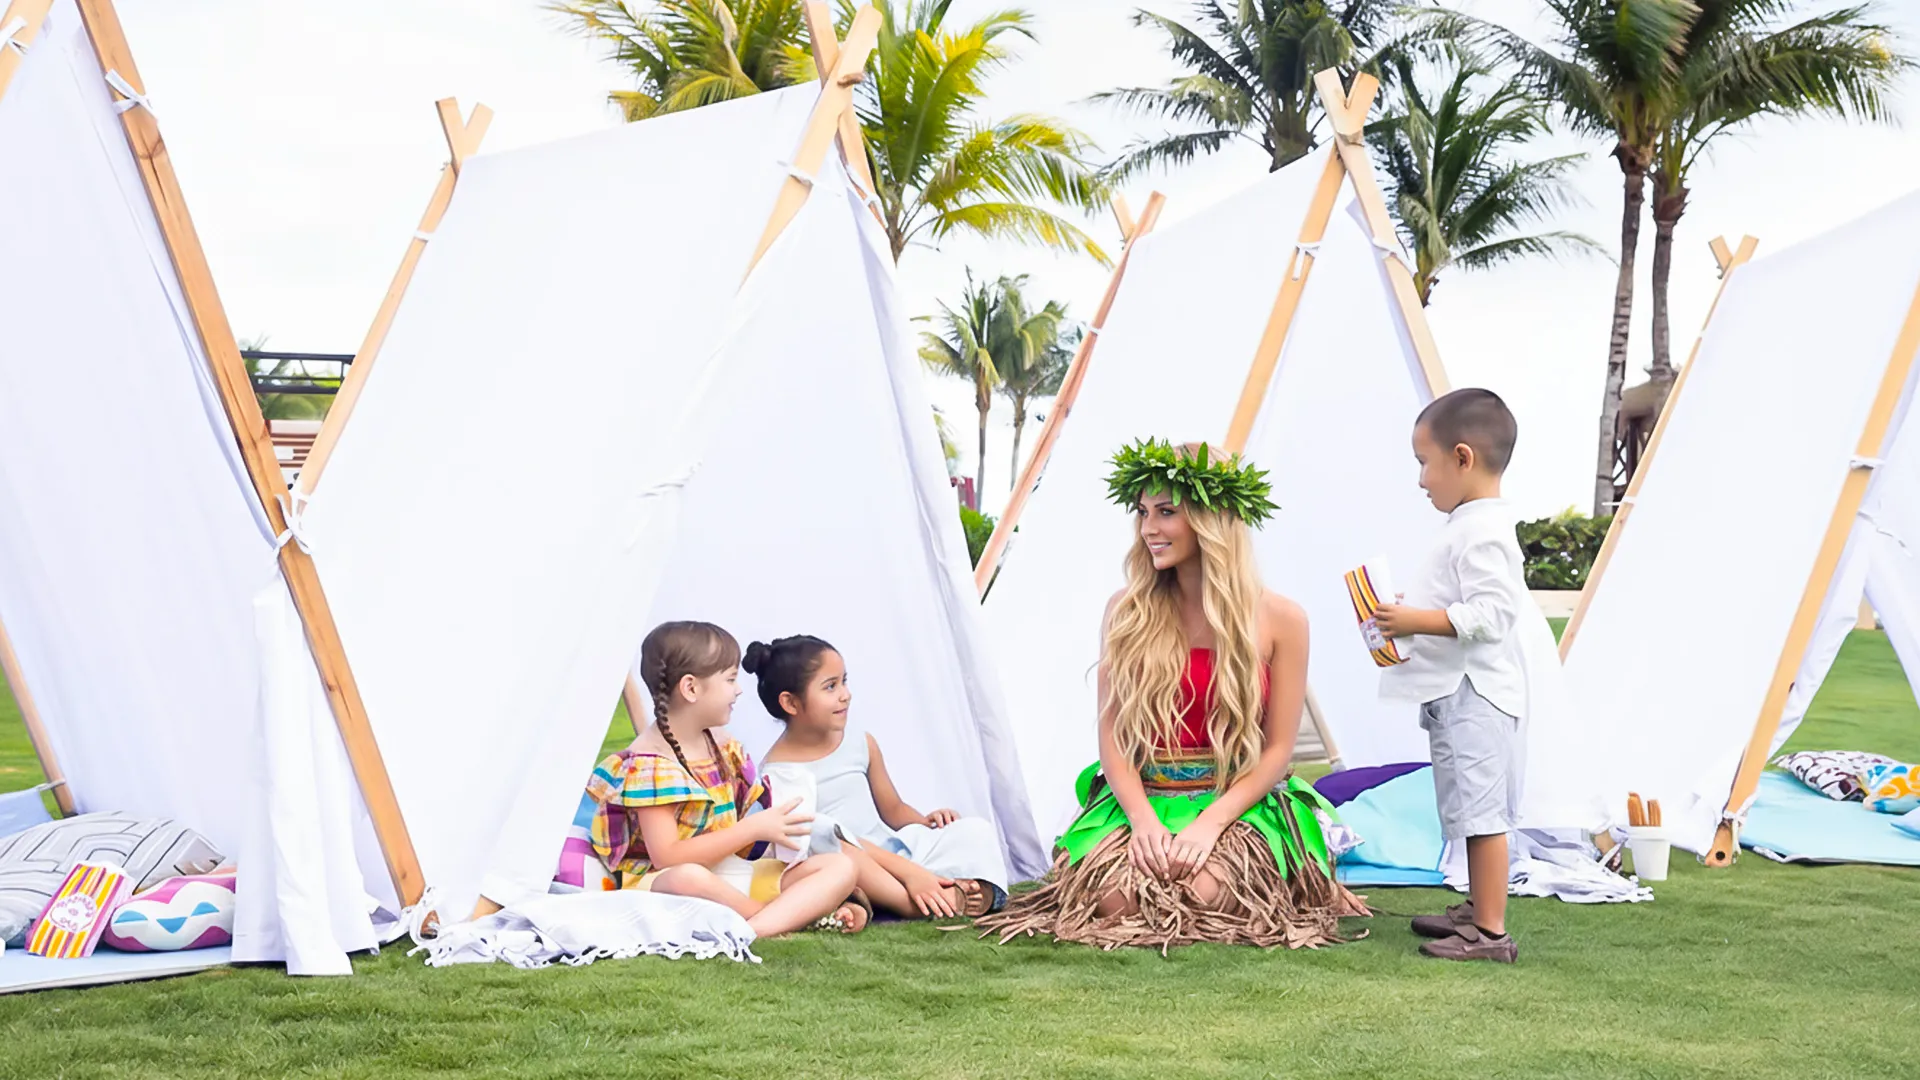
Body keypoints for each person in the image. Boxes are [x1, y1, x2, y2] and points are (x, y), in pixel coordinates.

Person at [978, 439, 1368, 950]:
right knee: (1116, 897)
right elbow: (1112, 740)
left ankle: (1284, 876)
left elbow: (1277, 752)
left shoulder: (1283, 619)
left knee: (1205, 891)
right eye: (1143, 513)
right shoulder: (1127, 611)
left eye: (1166, 512)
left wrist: (1209, 826)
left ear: (1212, 518)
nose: (1148, 529)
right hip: (1143, 797)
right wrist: (1141, 822)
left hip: (1235, 800)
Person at [573, 620, 870, 936]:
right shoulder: (650, 766)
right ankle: (769, 922)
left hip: (733, 877)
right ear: (691, 688)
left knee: (839, 865)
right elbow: (667, 857)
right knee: (688, 876)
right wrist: (751, 829)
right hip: (668, 884)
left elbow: (741, 841)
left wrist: (777, 826)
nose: (739, 689)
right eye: (730, 679)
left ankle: (775, 917)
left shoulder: (721, 745)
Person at [1373, 389, 1529, 963]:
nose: (1421, 480)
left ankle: (1490, 933)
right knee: (1464, 806)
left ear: (1462, 458)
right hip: (1455, 694)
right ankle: (1475, 907)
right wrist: (1407, 614)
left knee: (1482, 814)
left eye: (1424, 463)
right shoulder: (1467, 525)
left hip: (1476, 696)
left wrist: (1413, 618)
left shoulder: (1484, 531)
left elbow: (1493, 615)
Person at [753, 635, 1010, 919]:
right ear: (790, 703)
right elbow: (817, 844)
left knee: (974, 829)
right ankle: (913, 903)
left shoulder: (860, 743)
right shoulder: (777, 775)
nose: (845, 694)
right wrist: (911, 874)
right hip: (852, 863)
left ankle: (953, 890)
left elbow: (894, 810)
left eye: (844, 681)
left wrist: (927, 823)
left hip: (893, 852)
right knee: (828, 838)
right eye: (830, 686)